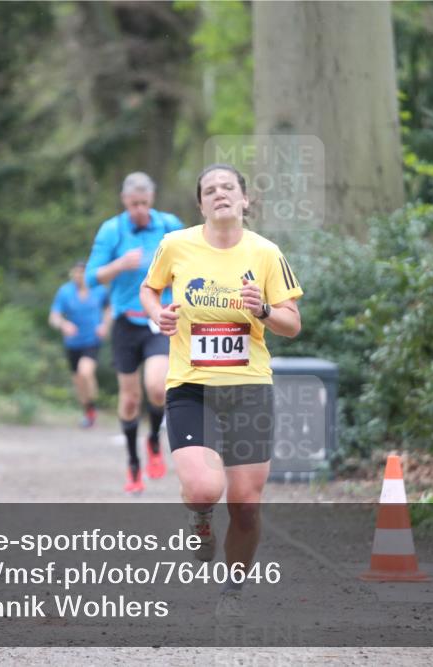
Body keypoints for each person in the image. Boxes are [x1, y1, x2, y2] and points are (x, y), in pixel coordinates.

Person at [140, 163, 303, 618]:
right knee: (202, 488)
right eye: (209, 190)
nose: (219, 194)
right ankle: (199, 518)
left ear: (245, 200)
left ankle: (232, 589)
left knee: (247, 504)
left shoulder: (266, 252)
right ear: (200, 204)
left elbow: (292, 324)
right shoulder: (175, 246)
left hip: (249, 388)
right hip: (191, 386)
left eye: (228, 187)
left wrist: (265, 309)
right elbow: (149, 291)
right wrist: (159, 315)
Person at [85, 172, 183, 494]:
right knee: (129, 399)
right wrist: (119, 265)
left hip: (161, 317)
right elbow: (91, 277)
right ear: (125, 201)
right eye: (133, 204)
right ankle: (133, 463)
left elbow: (194, 265)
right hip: (127, 321)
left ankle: (154, 440)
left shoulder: (170, 226)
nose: (139, 209)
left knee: (157, 387)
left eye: (144, 203)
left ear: (152, 199)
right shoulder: (112, 230)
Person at [49, 261, 111, 428]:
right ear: (72, 274)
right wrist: (63, 325)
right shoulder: (65, 291)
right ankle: (89, 409)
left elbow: (108, 309)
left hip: (92, 340)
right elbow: (54, 316)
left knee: (85, 372)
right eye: (76, 273)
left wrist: (105, 325)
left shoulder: (99, 290)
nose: (79, 276)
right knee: (78, 381)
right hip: (73, 342)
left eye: (82, 273)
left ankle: (92, 406)